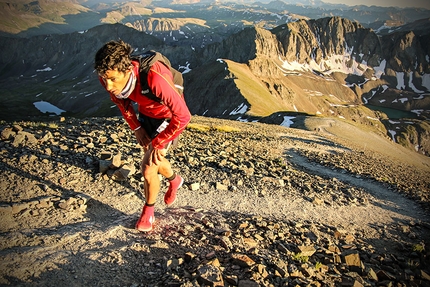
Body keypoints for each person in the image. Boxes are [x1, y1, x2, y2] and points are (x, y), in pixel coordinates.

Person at [94, 40, 191, 232]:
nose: (108, 84)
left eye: (112, 79)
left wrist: (161, 141)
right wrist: (137, 128)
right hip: (146, 114)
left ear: (127, 69)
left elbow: (183, 116)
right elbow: (123, 104)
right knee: (153, 159)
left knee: (147, 167)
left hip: (168, 117)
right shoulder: (108, 76)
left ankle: (148, 212)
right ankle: (174, 180)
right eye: (104, 78)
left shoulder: (155, 77)